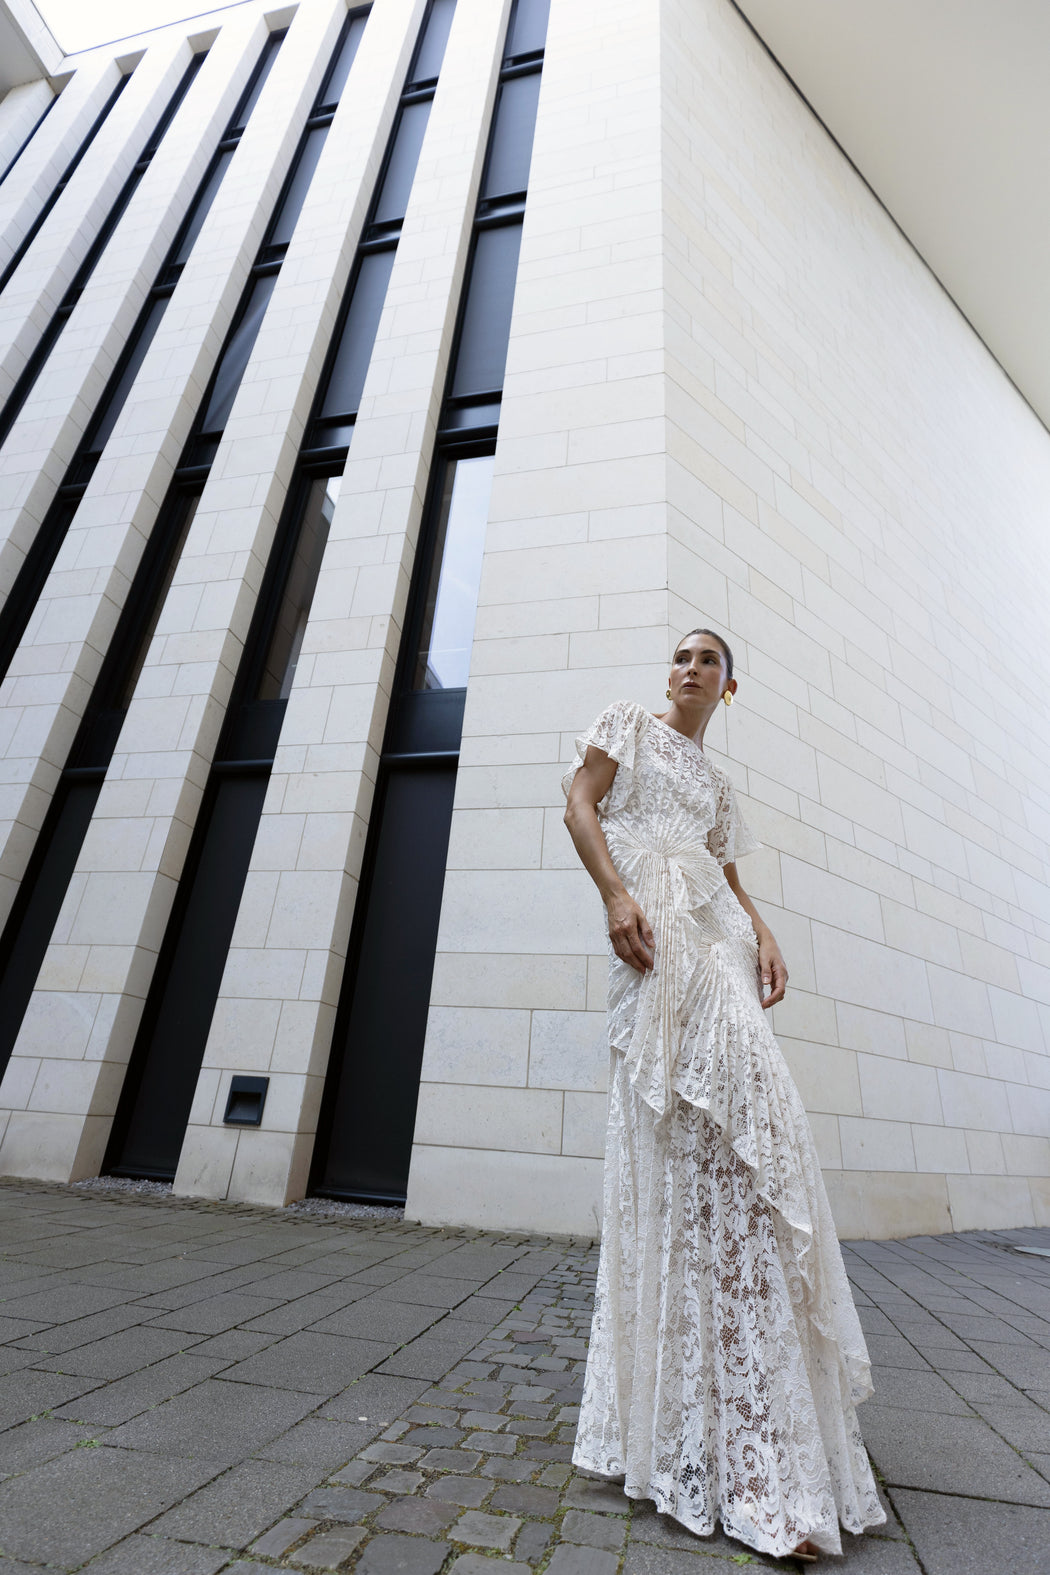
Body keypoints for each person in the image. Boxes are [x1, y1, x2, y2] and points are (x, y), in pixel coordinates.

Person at [562, 629, 885, 1563]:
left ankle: (755, 1421)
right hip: (655, 943)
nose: (690, 666)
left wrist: (766, 933)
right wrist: (616, 895)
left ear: (728, 685)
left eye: (707, 659)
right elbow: (579, 806)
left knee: (760, 1134)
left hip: (719, 945)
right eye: (681, 655)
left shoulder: (719, 783)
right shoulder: (626, 725)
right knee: (676, 1149)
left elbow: (733, 877)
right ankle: (683, 1435)